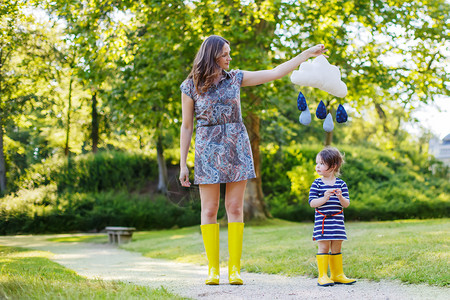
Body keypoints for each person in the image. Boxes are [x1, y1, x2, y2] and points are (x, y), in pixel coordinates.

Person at [179, 35, 327, 285]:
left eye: (229, 53)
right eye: (225, 53)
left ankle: (234, 269)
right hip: (206, 148)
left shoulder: (236, 77)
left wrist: (306, 54)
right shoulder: (190, 85)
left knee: (235, 208)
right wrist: (183, 163)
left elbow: (275, 72)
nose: (229, 57)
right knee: (209, 209)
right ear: (212, 55)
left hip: (236, 144)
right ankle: (213, 270)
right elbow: (186, 126)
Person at [308, 147, 356, 286]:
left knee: (336, 248)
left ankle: (337, 275)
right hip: (322, 224)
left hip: (337, 223)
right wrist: (324, 197)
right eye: (317, 163)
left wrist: (340, 197)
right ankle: (322, 276)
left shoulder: (341, 184)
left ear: (333, 166)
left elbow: (346, 204)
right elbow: (312, 203)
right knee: (323, 248)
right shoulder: (316, 184)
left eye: (322, 163)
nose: (317, 166)